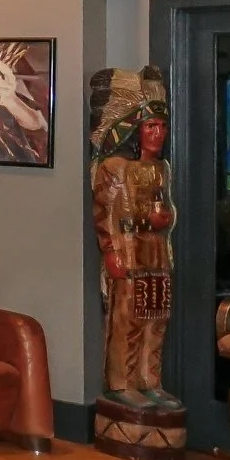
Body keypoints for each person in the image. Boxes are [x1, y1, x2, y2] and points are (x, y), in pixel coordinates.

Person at [90, 66, 176, 403]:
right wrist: (110, 251)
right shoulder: (113, 168)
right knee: (128, 317)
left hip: (156, 251)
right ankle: (121, 382)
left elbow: (166, 209)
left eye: (163, 126)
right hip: (127, 249)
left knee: (156, 316)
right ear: (135, 130)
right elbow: (104, 214)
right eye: (151, 126)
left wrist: (164, 217)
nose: (158, 133)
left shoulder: (161, 169)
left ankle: (149, 379)